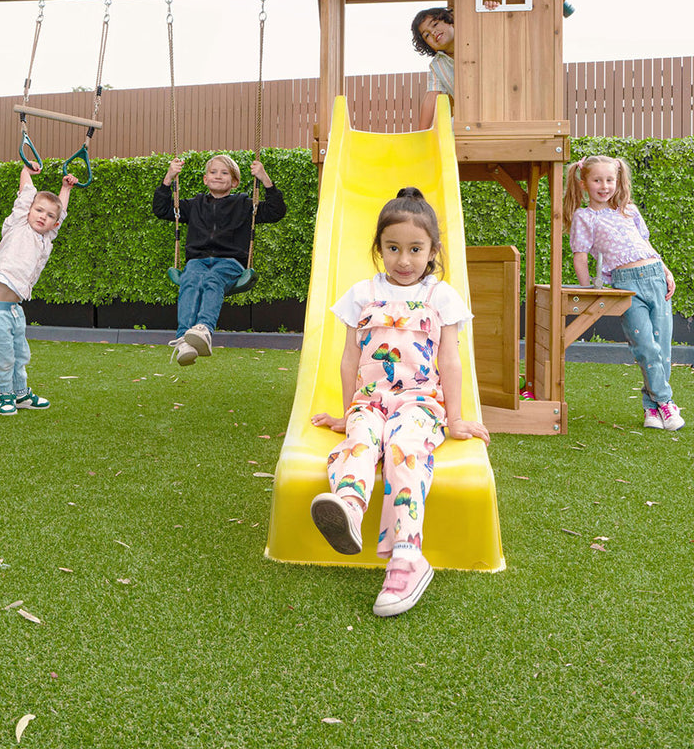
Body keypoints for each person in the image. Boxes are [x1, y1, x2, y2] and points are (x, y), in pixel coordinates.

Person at [309, 187, 489, 617]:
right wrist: (348, 409)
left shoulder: (440, 296)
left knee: (404, 448)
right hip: (370, 401)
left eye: (415, 249)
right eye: (393, 248)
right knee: (360, 442)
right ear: (379, 248)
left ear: (432, 251)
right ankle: (349, 510)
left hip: (420, 403)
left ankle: (408, 557)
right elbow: (351, 355)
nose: (403, 260)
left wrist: (457, 417)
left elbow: (450, 358)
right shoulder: (362, 293)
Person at [565, 154, 683, 431]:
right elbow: (580, 256)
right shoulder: (585, 217)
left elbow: (645, 244)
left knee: (662, 349)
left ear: (618, 182)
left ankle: (652, 410)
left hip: (655, 276)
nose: (604, 186)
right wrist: (587, 291)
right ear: (584, 184)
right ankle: (667, 402)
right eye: (597, 180)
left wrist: (666, 271)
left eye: (610, 180)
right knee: (645, 347)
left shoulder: (630, 211)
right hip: (626, 285)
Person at [153, 153, 286, 365]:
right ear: (205, 179)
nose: (218, 176)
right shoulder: (194, 204)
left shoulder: (244, 204)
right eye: (213, 172)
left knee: (212, 280)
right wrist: (168, 178)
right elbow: (161, 209)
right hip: (197, 260)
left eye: (224, 173)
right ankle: (183, 339)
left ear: (234, 182)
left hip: (229, 262)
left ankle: (204, 330)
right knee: (190, 280)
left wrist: (264, 179)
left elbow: (276, 211)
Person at [0, 165, 78, 416]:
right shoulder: (18, 224)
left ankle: (21, 394)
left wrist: (66, 188)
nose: (43, 216)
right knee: (4, 357)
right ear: (29, 211)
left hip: (13, 311)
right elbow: (25, 193)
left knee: (21, 354)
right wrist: (25, 170)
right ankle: (5, 395)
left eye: (49, 215)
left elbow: (61, 211)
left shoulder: (46, 239)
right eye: (38, 210)